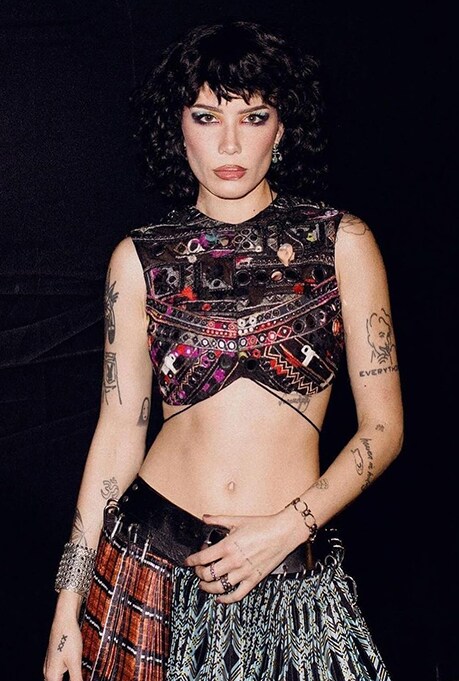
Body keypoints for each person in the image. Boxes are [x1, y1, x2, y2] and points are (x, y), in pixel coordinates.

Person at [43, 20, 403, 681]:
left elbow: (383, 428)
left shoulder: (342, 243)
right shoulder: (139, 259)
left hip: (285, 565)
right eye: (207, 117)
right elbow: (118, 432)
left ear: (282, 127)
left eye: (253, 116)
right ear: (178, 127)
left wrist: (287, 528)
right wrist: (68, 600)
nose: (230, 143)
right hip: (147, 562)